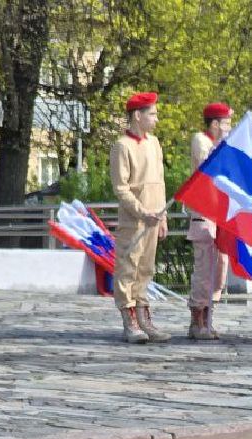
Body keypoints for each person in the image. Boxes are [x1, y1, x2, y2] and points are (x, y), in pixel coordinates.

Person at [109, 91, 169, 345]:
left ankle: (144, 317)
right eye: (152, 114)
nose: (156, 119)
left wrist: (162, 216)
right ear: (137, 115)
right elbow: (121, 188)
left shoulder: (154, 143)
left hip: (154, 219)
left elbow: (160, 182)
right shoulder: (122, 146)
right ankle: (129, 319)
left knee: (146, 268)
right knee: (128, 268)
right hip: (134, 221)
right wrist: (142, 211)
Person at [187, 102, 232, 340]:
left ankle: (209, 314)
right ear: (215, 124)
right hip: (203, 213)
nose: (229, 127)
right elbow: (208, 166)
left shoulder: (223, 145)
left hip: (220, 215)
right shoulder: (201, 140)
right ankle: (198, 319)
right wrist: (224, 144)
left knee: (220, 268)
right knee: (204, 269)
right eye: (226, 123)